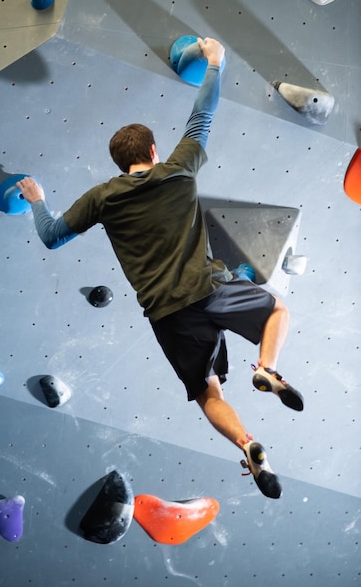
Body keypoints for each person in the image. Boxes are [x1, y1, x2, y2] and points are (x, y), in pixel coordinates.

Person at [17, 37, 303, 499]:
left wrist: (38, 202)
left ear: (120, 162)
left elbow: (52, 236)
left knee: (210, 393)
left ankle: (247, 444)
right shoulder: (178, 169)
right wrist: (216, 62)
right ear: (152, 151)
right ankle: (268, 368)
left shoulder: (102, 198)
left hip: (168, 314)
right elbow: (202, 115)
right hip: (209, 288)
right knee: (278, 312)